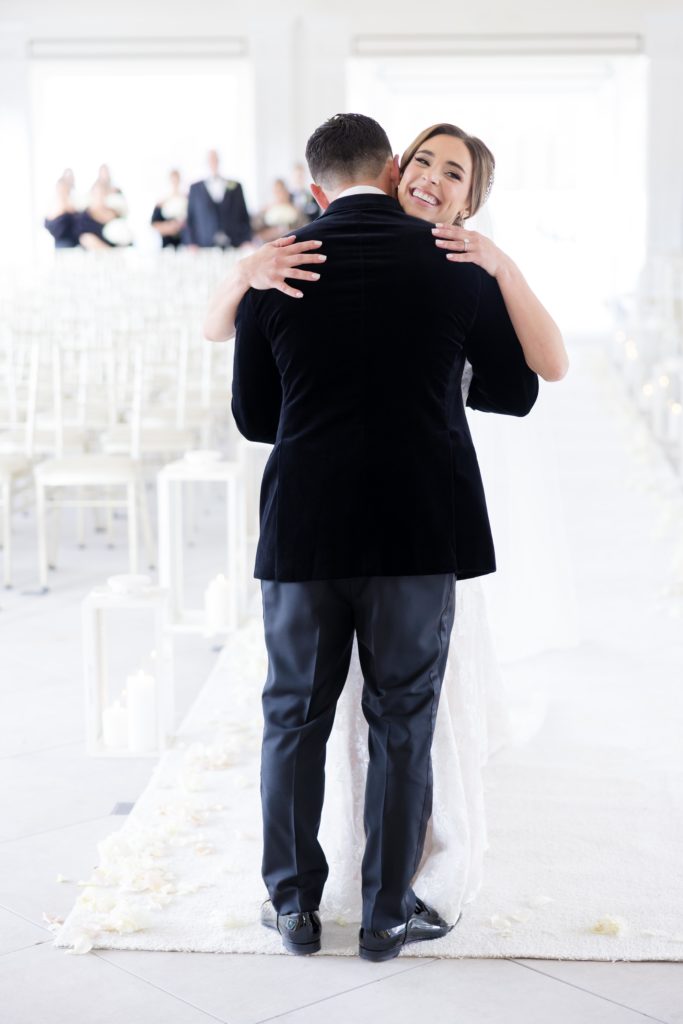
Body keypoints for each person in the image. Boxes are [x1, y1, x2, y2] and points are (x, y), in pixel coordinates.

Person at [227, 112, 542, 962]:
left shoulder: (276, 265)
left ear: (317, 185)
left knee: (292, 716)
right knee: (403, 718)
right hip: (416, 529)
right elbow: (513, 393)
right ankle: (386, 914)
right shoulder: (454, 266)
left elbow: (256, 420)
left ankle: (292, 905)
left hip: (304, 531)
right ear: (393, 164)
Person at [185, 149, 251, 249]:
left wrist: (246, 239)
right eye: (210, 160)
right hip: (204, 245)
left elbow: (244, 215)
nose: (213, 162)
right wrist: (191, 243)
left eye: (215, 159)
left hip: (234, 243)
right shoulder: (195, 188)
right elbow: (190, 218)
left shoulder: (235, 186)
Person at [151, 169, 187, 249]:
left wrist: (180, 226)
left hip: (184, 242)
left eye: (177, 180)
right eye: (173, 180)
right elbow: (154, 223)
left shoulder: (186, 199)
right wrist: (168, 227)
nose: (175, 183)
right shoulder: (162, 202)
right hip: (167, 243)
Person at [44, 175, 78, 249]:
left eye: (64, 189)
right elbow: (47, 224)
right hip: (61, 242)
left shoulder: (73, 204)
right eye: (60, 189)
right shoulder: (53, 205)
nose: (62, 191)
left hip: (73, 241)